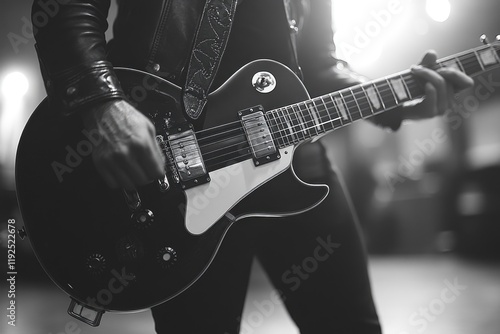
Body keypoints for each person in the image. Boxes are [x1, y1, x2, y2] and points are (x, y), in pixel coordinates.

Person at [31, 0, 473, 333]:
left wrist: (400, 102)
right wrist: (103, 104)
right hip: (173, 166)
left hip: (297, 162)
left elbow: (316, 66)